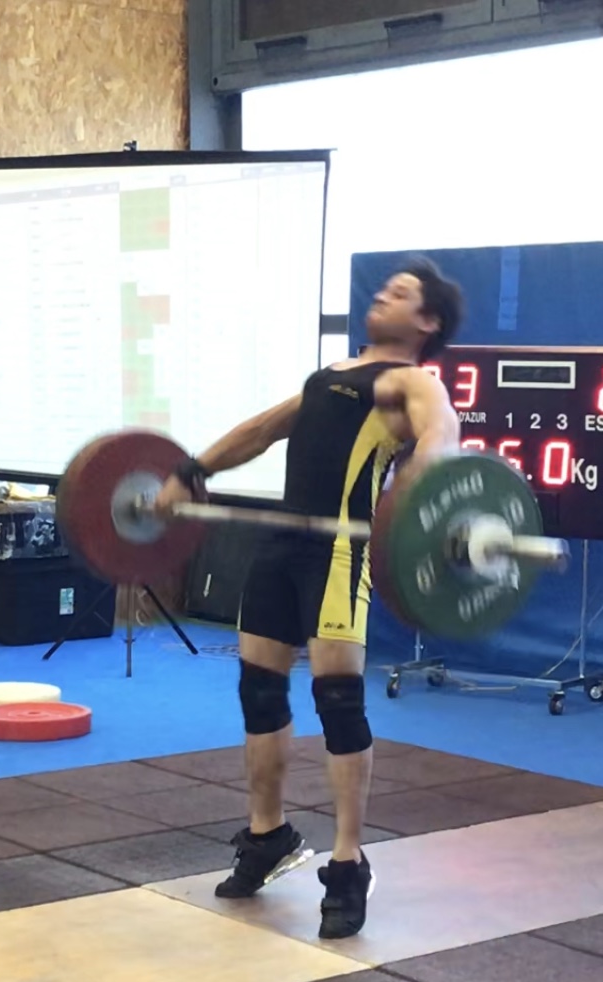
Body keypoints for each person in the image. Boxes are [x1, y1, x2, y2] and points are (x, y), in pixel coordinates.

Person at [153, 258, 465, 939]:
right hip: (280, 549)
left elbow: (441, 437)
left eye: (401, 294)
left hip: (339, 553)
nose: (382, 295)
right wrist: (192, 470)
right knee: (259, 693)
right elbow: (262, 429)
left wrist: (424, 496)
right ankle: (268, 836)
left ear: (427, 321)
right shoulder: (330, 376)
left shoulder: (410, 382)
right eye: (385, 287)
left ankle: (348, 863)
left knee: (338, 702)